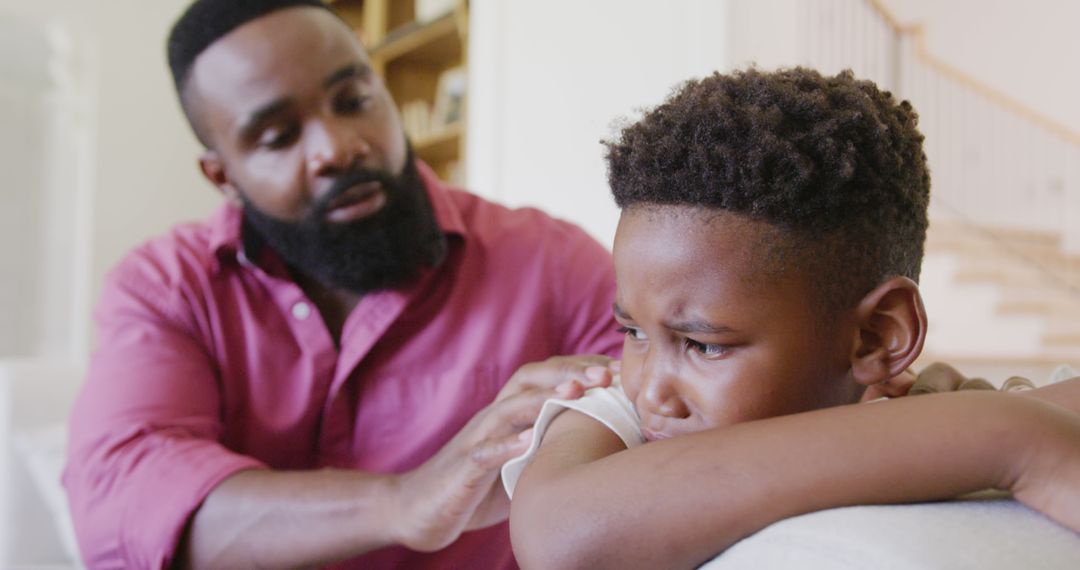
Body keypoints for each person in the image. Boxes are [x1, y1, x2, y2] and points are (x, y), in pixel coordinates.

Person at [61, 0, 624, 568]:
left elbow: (677, 413)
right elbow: (123, 499)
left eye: (354, 101)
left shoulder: (549, 262)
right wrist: (404, 500)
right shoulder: (167, 289)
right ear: (223, 176)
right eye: (278, 136)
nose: (337, 147)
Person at [504, 67, 1080, 569]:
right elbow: (565, 539)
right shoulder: (609, 413)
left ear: (878, 335)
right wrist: (1001, 436)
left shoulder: (927, 405)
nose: (650, 388)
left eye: (704, 346)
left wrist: (966, 418)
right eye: (632, 332)